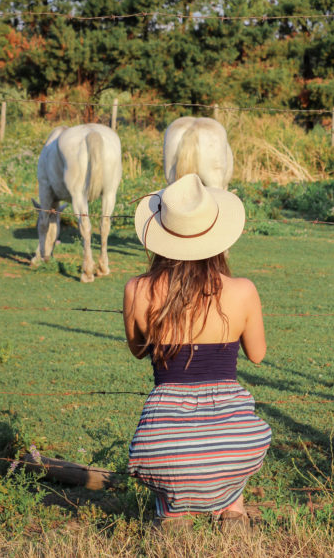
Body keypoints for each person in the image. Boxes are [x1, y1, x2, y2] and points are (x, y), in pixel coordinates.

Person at [123, 172, 271, 528]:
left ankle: (174, 514)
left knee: (175, 459)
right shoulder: (243, 290)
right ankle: (232, 510)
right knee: (227, 445)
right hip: (233, 443)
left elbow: (138, 350)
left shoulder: (137, 290)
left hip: (163, 444)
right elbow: (257, 354)